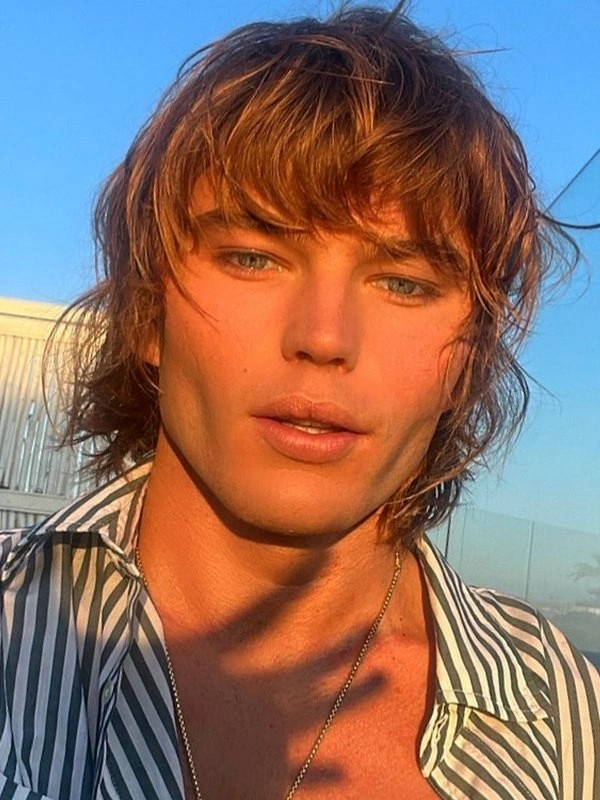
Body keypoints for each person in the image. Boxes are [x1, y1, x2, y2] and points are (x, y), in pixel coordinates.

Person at [1, 4, 599, 799]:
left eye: (403, 283)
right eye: (253, 257)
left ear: (468, 361)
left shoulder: (564, 716)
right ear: (147, 313)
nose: (324, 337)